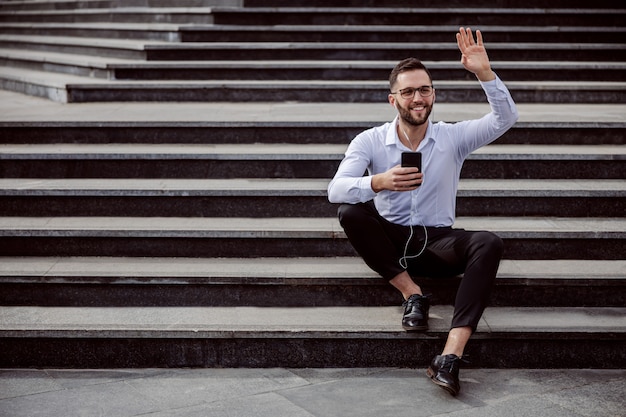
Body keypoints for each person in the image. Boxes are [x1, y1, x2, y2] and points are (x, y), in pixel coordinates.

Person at [327, 27, 519, 396]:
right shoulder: (369, 140)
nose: (418, 97)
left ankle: (450, 355)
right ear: (392, 99)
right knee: (351, 211)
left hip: (439, 242)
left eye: (425, 89)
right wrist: (378, 182)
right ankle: (412, 293)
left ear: (433, 94)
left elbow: (504, 119)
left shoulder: (452, 137)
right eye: (409, 91)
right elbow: (335, 190)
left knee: (489, 243)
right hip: (392, 240)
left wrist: (485, 74)